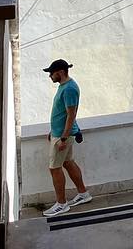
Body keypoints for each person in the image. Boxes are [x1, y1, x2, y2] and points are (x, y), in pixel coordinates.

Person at [42, 58, 91, 217]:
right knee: (68, 163)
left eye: (52, 73)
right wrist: (53, 130)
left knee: (54, 168)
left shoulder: (69, 89)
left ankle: (61, 204)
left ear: (61, 72)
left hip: (63, 136)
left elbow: (71, 115)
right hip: (60, 133)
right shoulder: (64, 86)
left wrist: (63, 138)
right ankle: (83, 194)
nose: (50, 76)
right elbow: (61, 113)